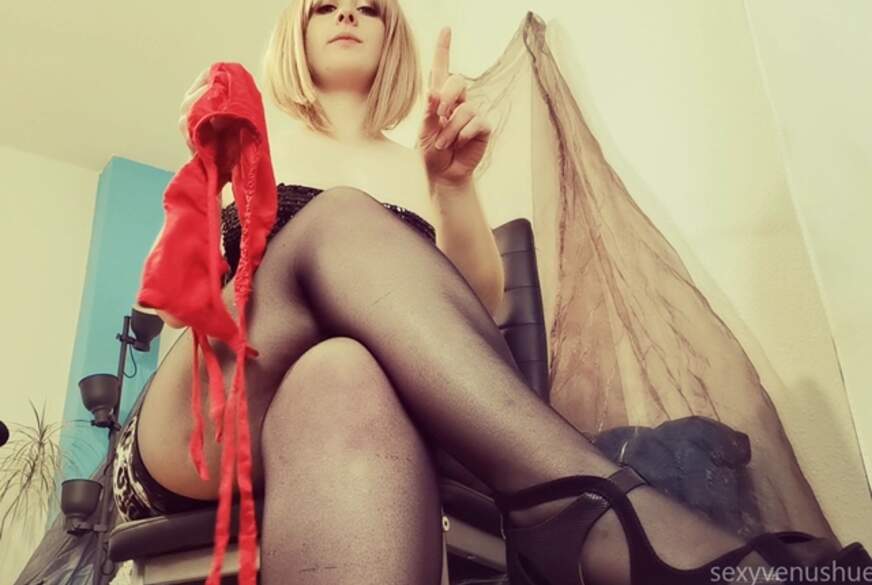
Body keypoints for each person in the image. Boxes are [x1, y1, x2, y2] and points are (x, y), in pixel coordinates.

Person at [115, 1, 862, 584]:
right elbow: (165, 307)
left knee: (343, 367)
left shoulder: (417, 163)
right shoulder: (250, 134)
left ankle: (585, 511)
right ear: (296, 33)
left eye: (368, 7)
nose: (347, 14)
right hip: (212, 421)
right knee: (339, 217)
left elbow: (476, 315)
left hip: (350, 413)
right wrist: (207, 198)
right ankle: (583, 508)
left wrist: (451, 186)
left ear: (391, 36)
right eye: (325, 7)